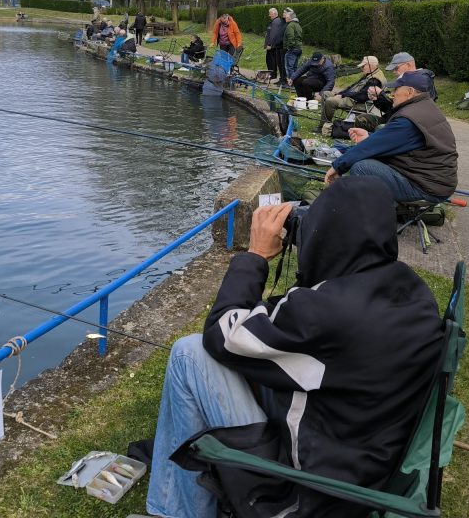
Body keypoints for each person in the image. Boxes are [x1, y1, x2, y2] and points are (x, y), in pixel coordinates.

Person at [144, 177, 445, 518]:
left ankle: (172, 511)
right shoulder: (410, 289)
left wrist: (255, 256)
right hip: (363, 467)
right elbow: (301, 328)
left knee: (189, 354)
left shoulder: (325, 313)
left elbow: (222, 333)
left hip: (308, 494)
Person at [324, 70, 457, 208]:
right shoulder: (425, 107)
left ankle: (372, 214)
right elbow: (394, 141)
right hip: (432, 180)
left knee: (362, 168)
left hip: (426, 187)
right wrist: (369, 137)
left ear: (410, 92)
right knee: (368, 159)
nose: (392, 94)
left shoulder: (408, 119)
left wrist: (337, 167)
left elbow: (371, 148)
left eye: (396, 89)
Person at [319, 55, 386, 123]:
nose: (361, 68)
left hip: (358, 103)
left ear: (370, 66)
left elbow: (362, 96)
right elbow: (352, 87)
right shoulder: (370, 74)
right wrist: (340, 94)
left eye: (363, 66)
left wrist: (343, 95)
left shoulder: (374, 80)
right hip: (351, 98)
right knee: (326, 93)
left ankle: (324, 124)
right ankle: (325, 120)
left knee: (330, 101)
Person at [263, 7, 287, 84]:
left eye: (270, 14)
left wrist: (269, 44)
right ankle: (273, 74)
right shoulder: (275, 21)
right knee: (272, 60)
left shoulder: (276, 22)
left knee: (271, 61)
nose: (269, 15)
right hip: (273, 45)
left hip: (272, 46)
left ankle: (273, 75)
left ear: (274, 14)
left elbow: (274, 34)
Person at [281, 8, 303, 82]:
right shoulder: (298, 25)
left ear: (290, 18)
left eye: (287, 17)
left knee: (289, 67)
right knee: (295, 67)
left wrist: (289, 47)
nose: (285, 18)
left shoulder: (290, 25)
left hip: (293, 48)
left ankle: (291, 83)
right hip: (299, 48)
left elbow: (291, 37)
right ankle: (296, 82)